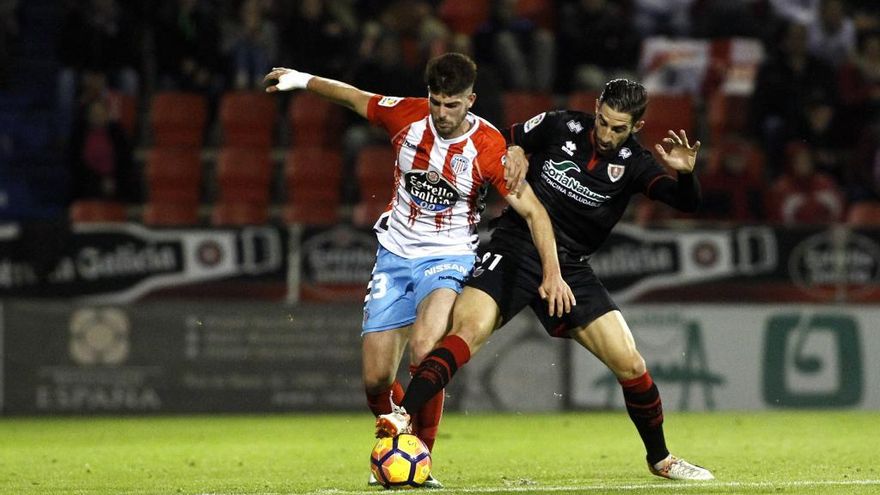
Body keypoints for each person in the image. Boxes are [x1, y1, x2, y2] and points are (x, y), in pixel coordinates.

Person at [377, 79, 715, 481]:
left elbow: (686, 203)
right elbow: (496, 139)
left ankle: (660, 459)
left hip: (570, 267)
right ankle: (401, 418)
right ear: (595, 108)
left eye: (618, 128)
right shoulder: (560, 125)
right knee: (468, 329)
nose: (606, 134)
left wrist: (687, 175)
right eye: (603, 122)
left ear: (636, 127)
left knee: (630, 362)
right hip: (514, 248)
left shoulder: (636, 164)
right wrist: (517, 149)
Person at [263, 53, 575, 488]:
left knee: (426, 348)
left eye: (453, 104)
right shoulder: (407, 117)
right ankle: (399, 435)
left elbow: (536, 214)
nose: (443, 114)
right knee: (375, 378)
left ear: (471, 100)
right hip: (394, 253)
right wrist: (301, 78)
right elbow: (355, 98)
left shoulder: (489, 148)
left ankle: (421, 458)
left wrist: (553, 273)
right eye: (436, 102)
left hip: (449, 256)